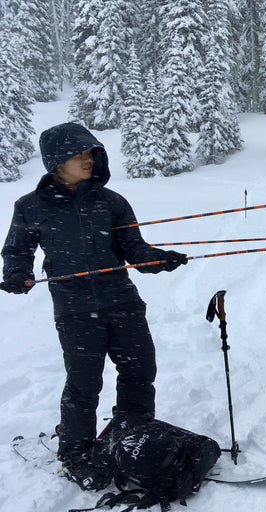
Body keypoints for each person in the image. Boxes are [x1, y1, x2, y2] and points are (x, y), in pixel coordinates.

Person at [1, 122, 188, 490]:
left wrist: (157, 259)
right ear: (56, 162)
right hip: (74, 310)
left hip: (122, 300)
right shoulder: (30, 207)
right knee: (84, 384)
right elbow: (17, 251)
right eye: (79, 154)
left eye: (91, 153)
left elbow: (134, 249)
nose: (88, 160)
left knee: (140, 371)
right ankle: (74, 453)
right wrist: (17, 274)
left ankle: (132, 434)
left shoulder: (112, 202)